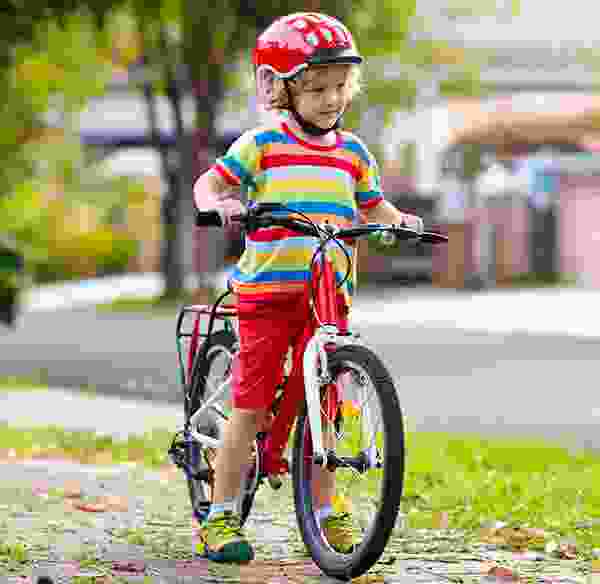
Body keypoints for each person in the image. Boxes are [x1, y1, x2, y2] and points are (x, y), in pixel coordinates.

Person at [192, 12, 424, 563]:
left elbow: (374, 206)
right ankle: (219, 517)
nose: (331, 99)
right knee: (250, 405)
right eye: (317, 89)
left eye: (340, 86)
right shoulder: (262, 144)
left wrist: (399, 223)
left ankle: (325, 512)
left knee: (327, 404)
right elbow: (210, 183)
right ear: (282, 89)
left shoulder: (353, 153)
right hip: (269, 295)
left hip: (328, 295)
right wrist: (219, 205)